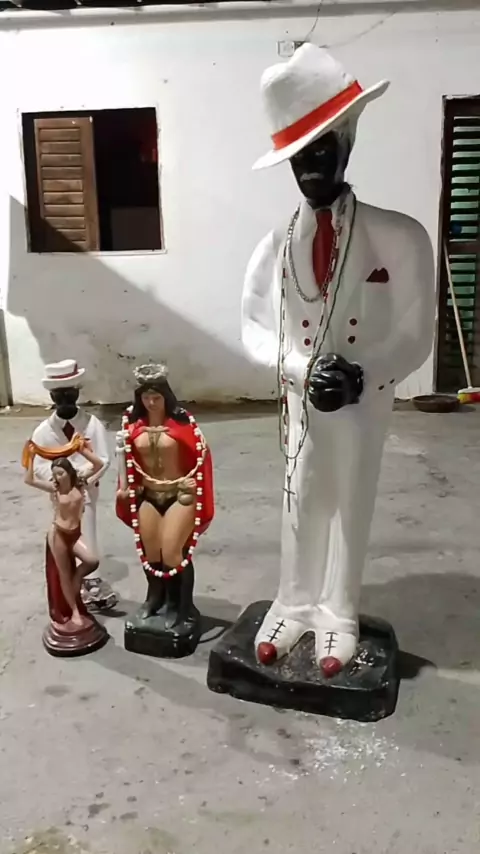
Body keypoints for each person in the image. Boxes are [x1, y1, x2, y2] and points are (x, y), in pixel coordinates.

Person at [242, 45, 435, 676]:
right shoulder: (275, 246)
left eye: (323, 149)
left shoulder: (400, 237)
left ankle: (338, 612)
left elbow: (415, 332)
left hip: (363, 404)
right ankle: (293, 601)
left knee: (352, 499)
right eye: (299, 156)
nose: (311, 167)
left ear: (348, 142)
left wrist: (365, 373)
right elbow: (254, 327)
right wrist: (299, 371)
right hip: (303, 404)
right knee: (300, 498)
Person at [116, 363, 214, 640]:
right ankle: (155, 598)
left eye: (156, 397)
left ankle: (180, 605)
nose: (151, 402)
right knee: (151, 554)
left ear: (166, 396)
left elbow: (201, 455)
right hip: (148, 494)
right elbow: (126, 463)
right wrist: (125, 488)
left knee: (172, 553)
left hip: (179, 495)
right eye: (146, 397)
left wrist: (194, 481)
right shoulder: (132, 425)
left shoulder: (183, 424)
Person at [31, 359, 117, 612]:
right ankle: (68, 580)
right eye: (59, 395)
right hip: (60, 494)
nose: (65, 400)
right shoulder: (43, 432)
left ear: (77, 393)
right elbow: (38, 464)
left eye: (70, 393)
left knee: (87, 530)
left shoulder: (92, 424)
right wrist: (59, 481)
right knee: (65, 533)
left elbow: (103, 458)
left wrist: (82, 477)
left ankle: (91, 580)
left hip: (86, 490)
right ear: (52, 396)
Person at [24, 439, 103, 631]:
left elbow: (99, 464)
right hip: (58, 534)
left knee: (92, 561)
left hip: (75, 534)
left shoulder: (80, 483)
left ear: (69, 472)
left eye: (61, 473)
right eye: (55, 474)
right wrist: (31, 458)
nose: (58, 477)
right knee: (64, 574)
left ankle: (78, 578)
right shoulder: (55, 488)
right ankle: (74, 611)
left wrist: (81, 450)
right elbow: (29, 480)